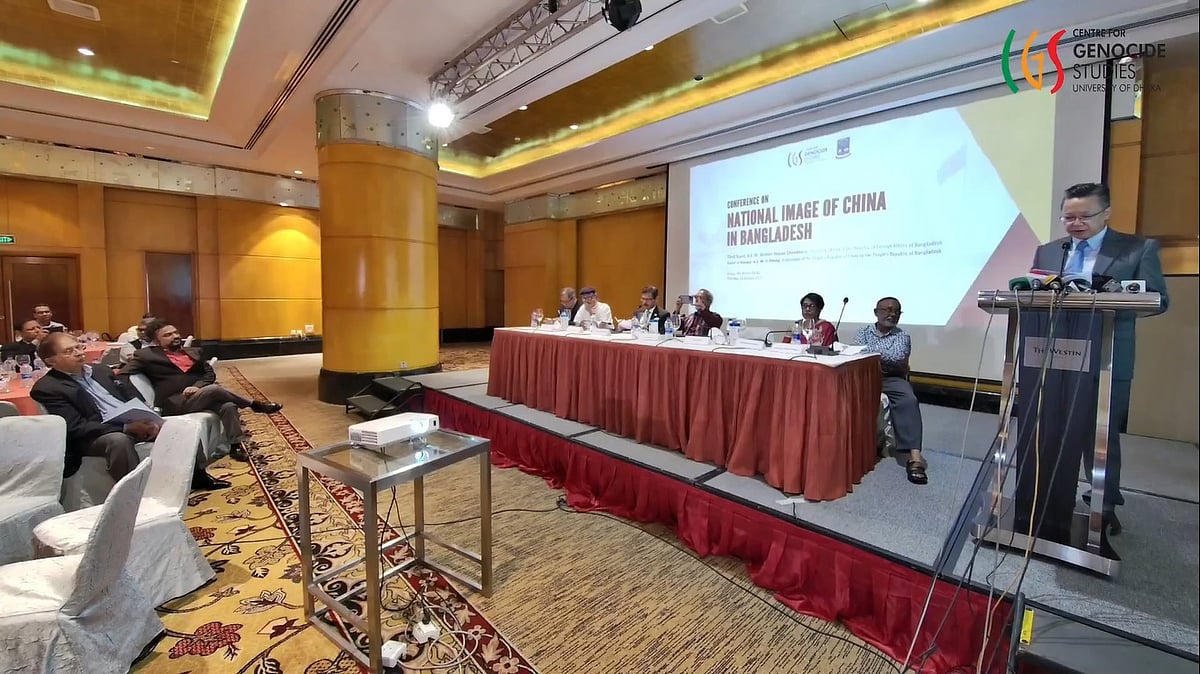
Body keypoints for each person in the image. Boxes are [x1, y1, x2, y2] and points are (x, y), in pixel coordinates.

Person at [1030, 181, 1168, 535]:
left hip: (1108, 356)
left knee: (1101, 436)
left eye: (1084, 216)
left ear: (1106, 213)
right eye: (1068, 217)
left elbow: (1159, 299)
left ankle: (1103, 505)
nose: (1075, 224)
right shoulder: (1047, 251)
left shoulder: (1137, 249)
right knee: (1050, 430)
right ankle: (1046, 497)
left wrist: (1116, 299)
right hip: (1056, 356)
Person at [30, 332, 230, 490]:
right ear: (51, 361)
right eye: (69, 351)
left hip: (130, 419)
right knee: (118, 441)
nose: (78, 353)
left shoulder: (100, 370)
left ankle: (198, 477)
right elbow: (76, 427)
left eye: (78, 347)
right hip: (97, 434)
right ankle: (134, 494)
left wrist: (146, 415)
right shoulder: (48, 388)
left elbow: (129, 394)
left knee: (181, 426)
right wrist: (126, 428)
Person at [121, 319, 283, 463]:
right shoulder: (146, 355)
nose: (175, 336)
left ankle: (235, 446)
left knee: (228, 406)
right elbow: (122, 374)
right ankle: (254, 405)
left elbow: (209, 373)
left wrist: (197, 386)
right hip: (174, 402)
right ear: (157, 341)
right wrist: (135, 398)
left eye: (176, 332)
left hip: (198, 396)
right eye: (168, 335)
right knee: (214, 389)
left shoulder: (193, 352)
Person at [856, 297, 926, 485]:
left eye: (896, 311)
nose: (892, 314)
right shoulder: (862, 332)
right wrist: (879, 355)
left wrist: (872, 353)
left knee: (909, 400)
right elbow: (858, 352)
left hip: (891, 378)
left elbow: (898, 358)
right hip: (865, 376)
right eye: (887, 310)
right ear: (876, 312)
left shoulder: (902, 336)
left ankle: (915, 458)